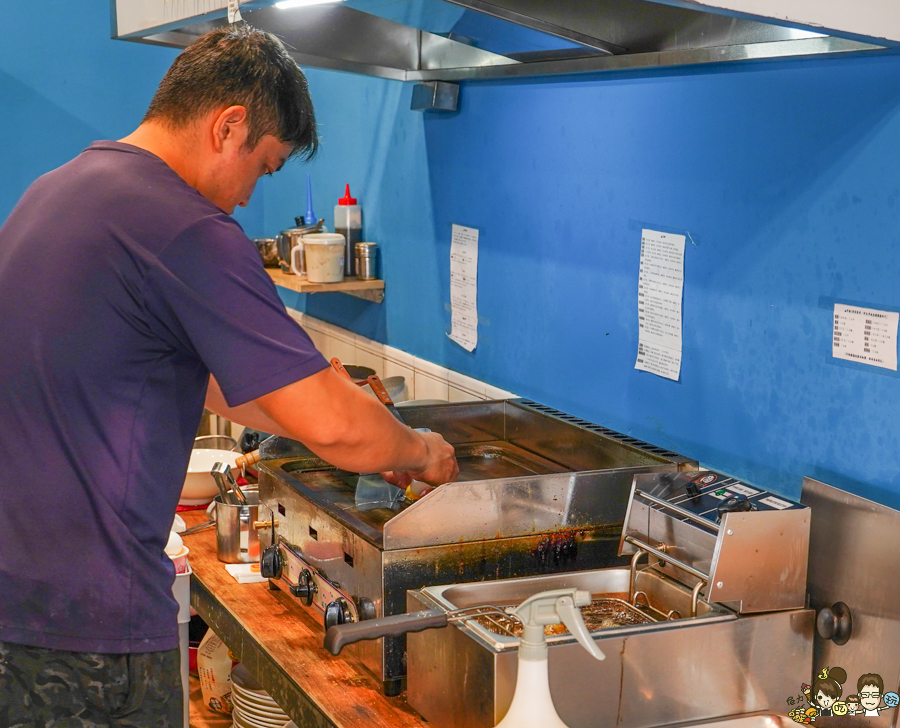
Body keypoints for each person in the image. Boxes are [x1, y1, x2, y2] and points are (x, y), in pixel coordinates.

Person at [0, 24, 457, 726]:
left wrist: (341, 427)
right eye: (264, 167)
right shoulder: (185, 228)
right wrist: (419, 449)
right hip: (92, 633)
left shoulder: (56, 191)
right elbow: (336, 424)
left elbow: (213, 382)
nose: (248, 196)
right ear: (229, 125)